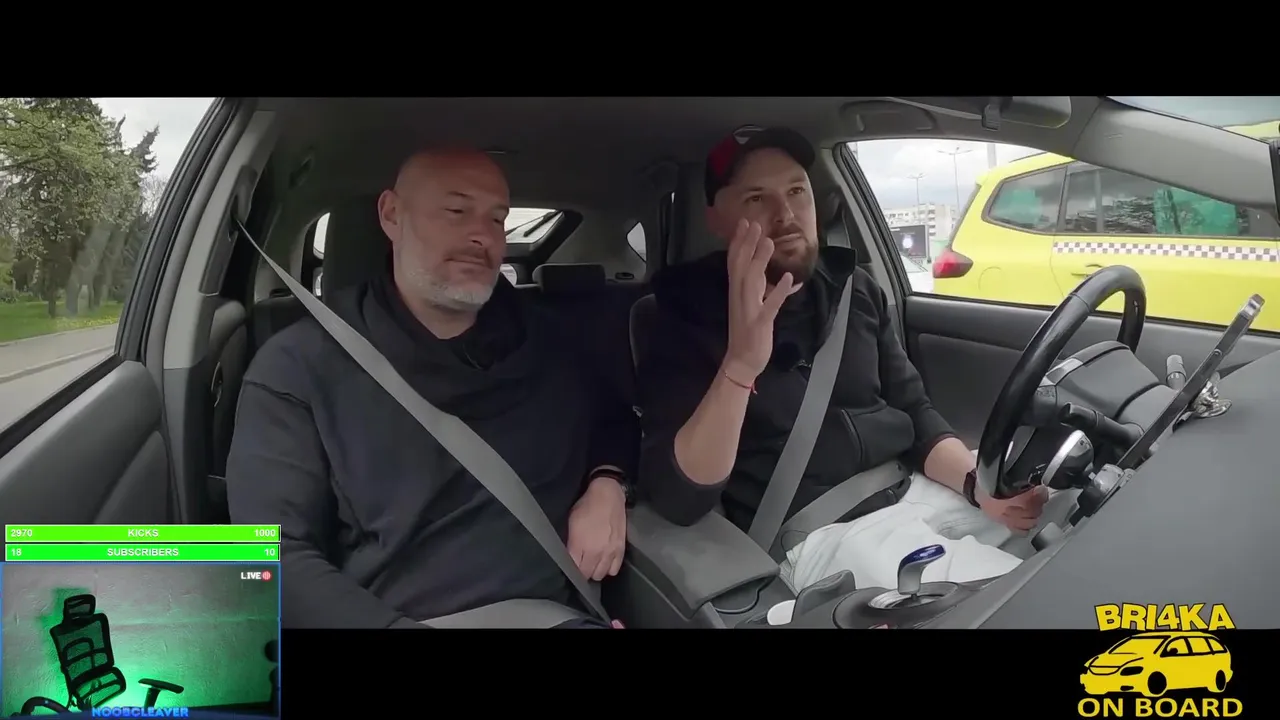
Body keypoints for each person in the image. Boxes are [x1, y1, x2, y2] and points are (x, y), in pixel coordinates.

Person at [226, 149, 636, 628]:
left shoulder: (550, 343)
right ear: (391, 215)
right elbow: (274, 555)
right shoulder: (299, 365)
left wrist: (606, 485)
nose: (483, 235)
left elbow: (615, 420)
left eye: (498, 218)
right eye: (457, 210)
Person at [636, 126, 1050, 594]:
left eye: (797, 191)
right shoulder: (680, 318)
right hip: (825, 532)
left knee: (1063, 512)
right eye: (756, 198)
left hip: (912, 487)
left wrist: (979, 486)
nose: (785, 214)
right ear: (715, 218)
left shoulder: (854, 290)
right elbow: (681, 496)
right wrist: (740, 365)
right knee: (1020, 593)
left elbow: (915, 411)